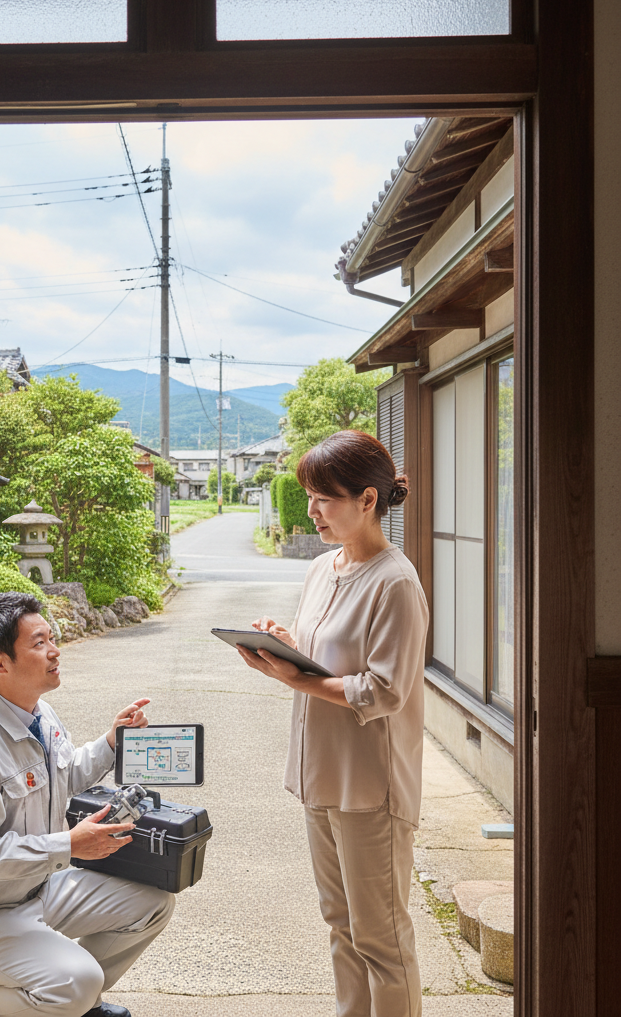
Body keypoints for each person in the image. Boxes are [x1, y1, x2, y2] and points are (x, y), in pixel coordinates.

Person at [237, 429, 428, 1017]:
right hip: (321, 772)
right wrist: (285, 648)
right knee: (340, 924)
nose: (312, 509)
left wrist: (297, 681)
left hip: (369, 784)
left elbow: (386, 690)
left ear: (367, 500)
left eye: (325, 497)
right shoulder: (323, 569)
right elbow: (326, 657)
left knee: (382, 937)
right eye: (310, 496)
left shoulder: (395, 582)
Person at [0, 591, 176, 1017]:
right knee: (78, 980)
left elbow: (66, 777)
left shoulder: (40, 714)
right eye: (39, 643)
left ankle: (69, 1002)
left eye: (52, 638)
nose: (55, 651)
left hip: (37, 888)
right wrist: (70, 846)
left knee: (152, 903)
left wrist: (113, 741)